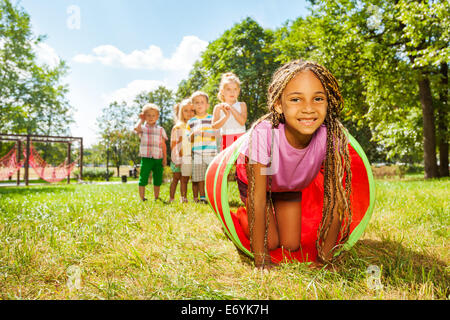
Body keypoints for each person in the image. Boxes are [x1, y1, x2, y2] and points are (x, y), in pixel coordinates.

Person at [236, 60, 353, 269]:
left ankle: (274, 213)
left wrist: (324, 259)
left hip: (289, 185)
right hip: (257, 184)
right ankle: (242, 215)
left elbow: (336, 202)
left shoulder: (330, 137)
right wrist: (261, 260)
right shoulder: (265, 134)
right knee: (269, 242)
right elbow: (258, 199)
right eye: (296, 99)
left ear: (329, 102)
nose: (308, 108)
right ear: (279, 104)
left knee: (290, 244)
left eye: (318, 98)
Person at [187, 91, 217, 203]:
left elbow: (217, 133)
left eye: (202, 102)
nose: (199, 105)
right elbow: (188, 138)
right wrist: (193, 133)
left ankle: (212, 195)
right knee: (199, 176)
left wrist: (206, 134)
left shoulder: (212, 118)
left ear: (207, 105)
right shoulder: (191, 122)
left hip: (211, 152)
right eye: (196, 103)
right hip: (198, 153)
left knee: (211, 175)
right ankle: (202, 197)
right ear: (193, 106)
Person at [134, 103, 168, 202]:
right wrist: (141, 119)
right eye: (148, 115)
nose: (151, 117)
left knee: (157, 178)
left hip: (158, 158)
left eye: (153, 115)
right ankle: (142, 198)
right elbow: (136, 128)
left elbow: (163, 145)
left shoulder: (160, 129)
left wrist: (165, 158)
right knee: (143, 177)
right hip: (146, 158)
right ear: (144, 116)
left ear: (157, 116)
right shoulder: (143, 129)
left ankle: (156, 197)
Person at [212, 72, 247, 151]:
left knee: (241, 163)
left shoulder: (242, 105)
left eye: (235, 89)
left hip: (241, 138)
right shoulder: (218, 107)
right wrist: (226, 116)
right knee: (228, 163)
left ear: (238, 91)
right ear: (222, 91)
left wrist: (231, 107)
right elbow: (214, 126)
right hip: (226, 139)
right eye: (228, 89)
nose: (232, 92)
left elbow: (242, 122)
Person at [169, 98, 195, 203]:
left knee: (185, 179)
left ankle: (183, 197)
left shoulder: (193, 126)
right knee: (176, 179)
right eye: (186, 110)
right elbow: (174, 144)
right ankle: (172, 198)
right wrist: (177, 158)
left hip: (189, 156)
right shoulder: (178, 127)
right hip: (179, 158)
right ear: (181, 112)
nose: (189, 113)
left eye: (191, 110)